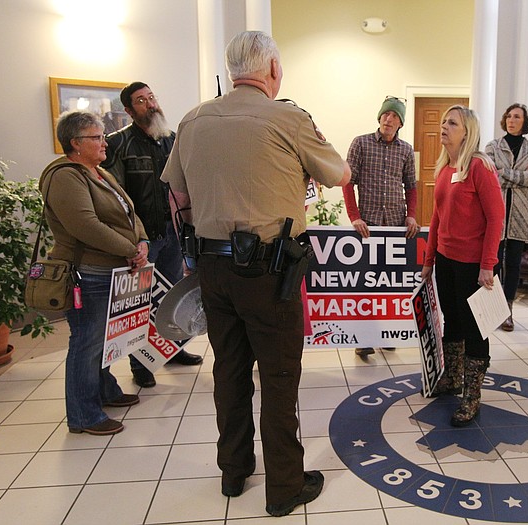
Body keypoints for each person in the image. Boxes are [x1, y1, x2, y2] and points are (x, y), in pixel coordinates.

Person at [161, 31, 350, 516]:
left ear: (232, 68)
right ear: (271, 70)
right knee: (280, 375)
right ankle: (285, 486)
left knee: (228, 369)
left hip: (212, 267)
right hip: (269, 272)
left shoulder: (193, 118)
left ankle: (234, 470)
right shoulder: (288, 116)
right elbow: (339, 174)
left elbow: (176, 194)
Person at [40, 110, 150, 436]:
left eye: (103, 136)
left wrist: (141, 240)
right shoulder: (65, 175)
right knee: (87, 342)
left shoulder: (98, 172)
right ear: (75, 142)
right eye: (97, 137)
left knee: (105, 340)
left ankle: (105, 390)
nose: (105, 142)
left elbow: (129, 211)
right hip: (88, 273)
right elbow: (86, 226)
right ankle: (84, 415)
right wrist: (130, 249)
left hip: (113, 269)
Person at [102, 81, 203, 389]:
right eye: (142, 101)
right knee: (138, 305)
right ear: (130, 111)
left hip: (172, 234)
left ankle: (174, 350)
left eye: (152, 97)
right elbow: (114, 196)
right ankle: (141, 364)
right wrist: (134, 239)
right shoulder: (119, 144)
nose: (151, 104)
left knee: (172, 297)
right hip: (142, 239)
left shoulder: (172, 140)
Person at [421, 105, 505, 427]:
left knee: (474, 329)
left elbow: (496, 218)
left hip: (473, 265)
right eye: (443, 121)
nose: (444, 126)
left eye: (451, 123)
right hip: (446, 260)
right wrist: (429, 260)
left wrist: (488, 265)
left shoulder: (480, 167)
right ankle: (452, 378)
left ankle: (472, 394)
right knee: (452, 322)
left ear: (466, 132)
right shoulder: (445, 169)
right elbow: (438, 218)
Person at [342, 96, 418, 356]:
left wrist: (412, 216)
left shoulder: (406, 150)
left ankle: (387, 332)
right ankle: (362, 338)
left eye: (395, 116)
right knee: (365, 282)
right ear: (379, 117)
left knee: (391, 283)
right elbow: (347, 182)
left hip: (396, 225)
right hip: (368, 225)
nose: (389, 119)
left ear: (400, 122)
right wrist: (354, 217)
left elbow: (412, 186)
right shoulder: (360, 143)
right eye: (386, 114)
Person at [484, 103, 528, 332]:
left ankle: (508, 311)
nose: (511, 120)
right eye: (509, 116)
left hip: (520, 212)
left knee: (514, 264)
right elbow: (491, 178)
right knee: (494, 261)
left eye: (516, 116)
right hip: (495, 212)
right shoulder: (493, 146)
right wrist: (521, 175)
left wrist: (505, 173)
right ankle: (493, 310)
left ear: (525, 121)